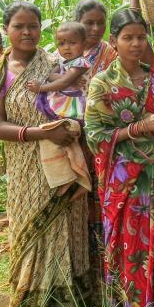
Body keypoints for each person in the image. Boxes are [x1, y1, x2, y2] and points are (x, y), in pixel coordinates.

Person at [0, 2, 99, 307]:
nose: (27, 32)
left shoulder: (57, 64)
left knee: (67, 227)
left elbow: (80, 102)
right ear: (7, 30)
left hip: (63, 159)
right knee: (32, 229)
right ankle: (31, 302)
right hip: (25, 161)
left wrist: (69, 130)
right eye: (19, 26)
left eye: (33, 26)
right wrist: (41, 133)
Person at [85, 8, 154, 307]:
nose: (136, 43)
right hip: (123, 180)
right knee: (127, 248)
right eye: (128, 38)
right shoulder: (103, 83)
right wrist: (139, 127)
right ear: (115, 42)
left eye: (141, 37)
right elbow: (95, 135)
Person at [27, 21, 92, 200]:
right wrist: (58, 77)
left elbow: (62, 82)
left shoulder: (81, 62)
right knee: (63, 142)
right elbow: (52, 74)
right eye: (61, 43)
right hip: (65, 103)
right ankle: (74, 177)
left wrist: (42, 87)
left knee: (68, 139)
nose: (66, 47)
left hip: (75, 106)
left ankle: (82, 179)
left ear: (84, 44)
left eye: (72, 43)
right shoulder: (63, 61)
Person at [75, 0, 117, 77]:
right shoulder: (64, 50)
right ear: (77, 23)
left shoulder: (112, 55)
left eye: (101, 23)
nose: (96, 28)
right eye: (89, 23)